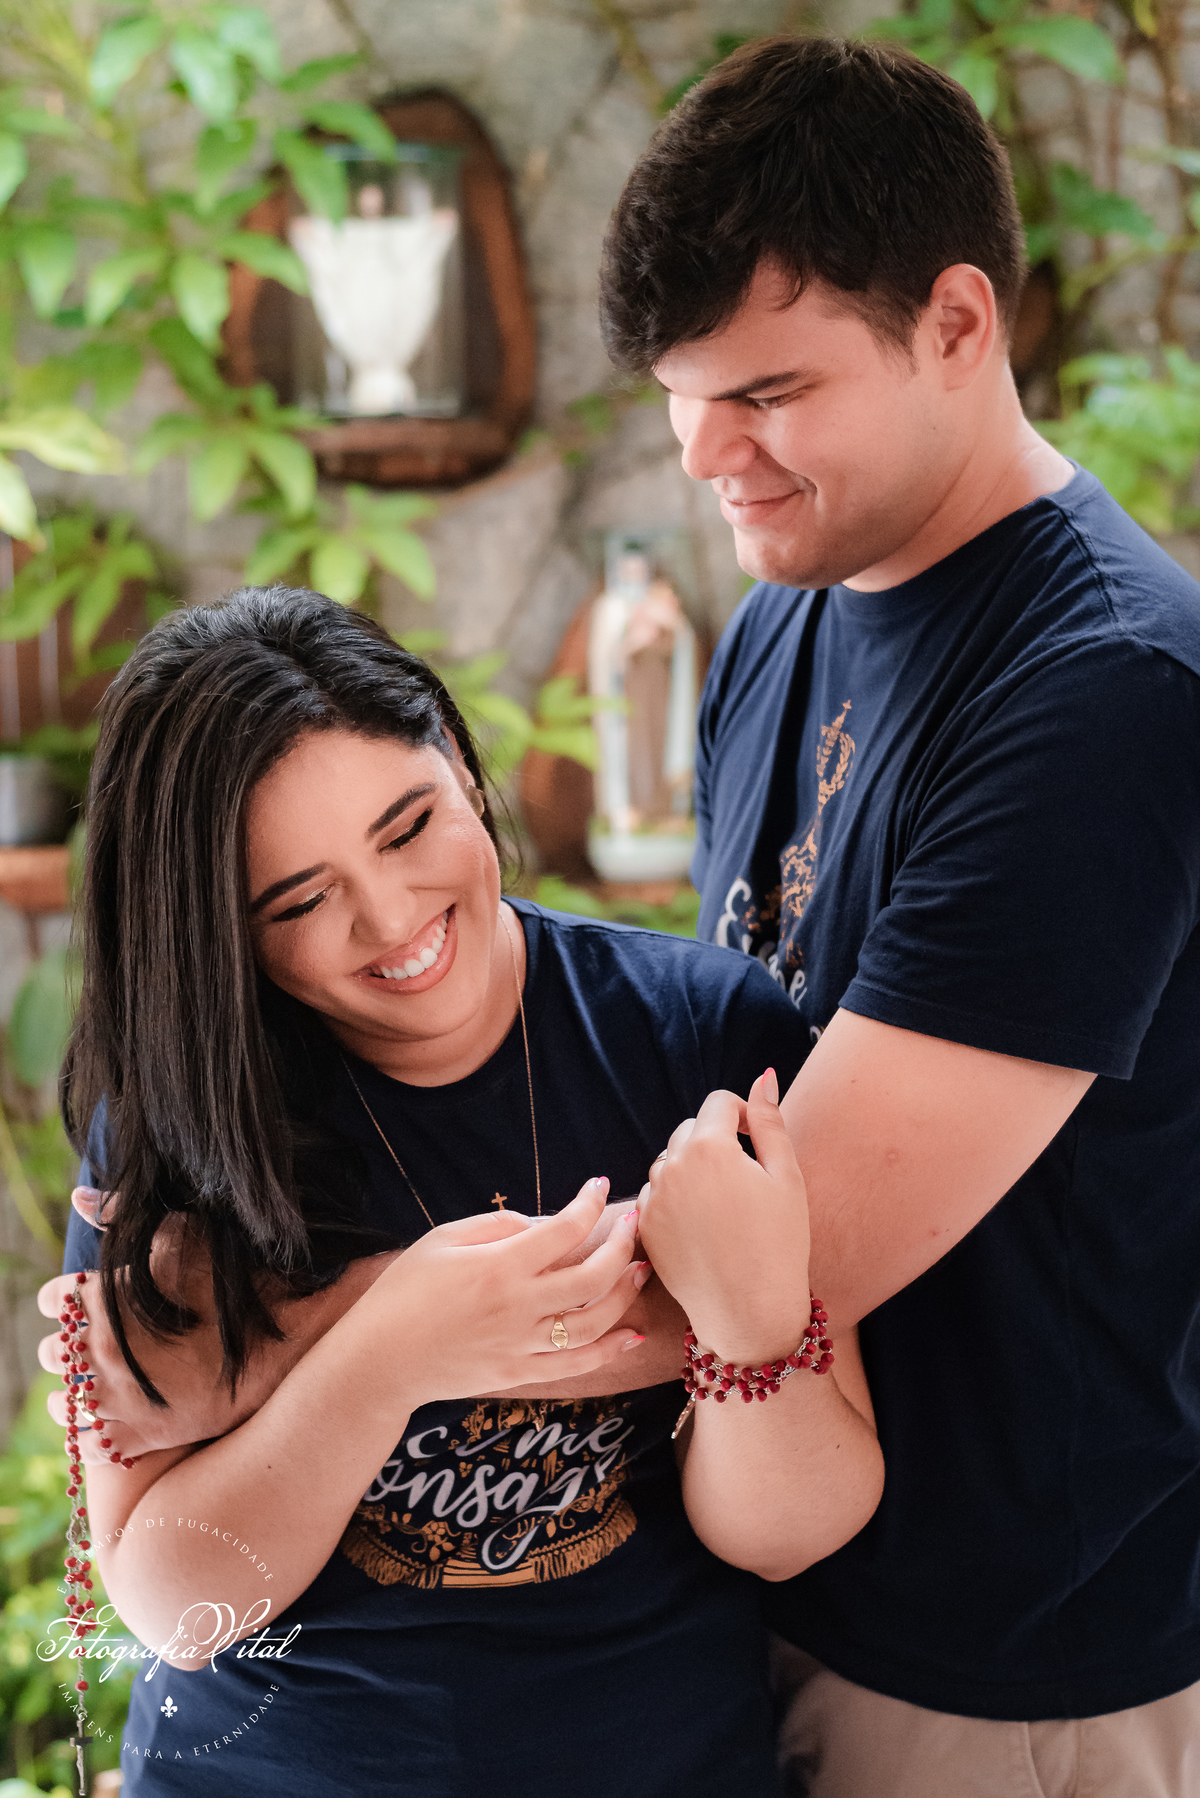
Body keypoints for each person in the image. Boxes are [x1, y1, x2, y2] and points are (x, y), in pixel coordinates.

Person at [600, 33, 1200, 1798]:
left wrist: (317, 1336)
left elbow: (781, 1259)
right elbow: (726, 1066)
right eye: (683, 392)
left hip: (1011, 1669)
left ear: (957, 321)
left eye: (769, 389)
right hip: (785, 1591)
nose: (708, 452)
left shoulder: (1105, 689)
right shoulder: (783, 606)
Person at [40, 586, 883, 1798]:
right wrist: (394, 1348)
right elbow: (177, 1604)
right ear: (224, 932)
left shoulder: (697, 1036)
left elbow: (795, 1530)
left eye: (408, 827)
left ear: (458, 762)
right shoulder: (182, 1121)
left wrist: (747, 1322)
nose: (392, 920)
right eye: (300, 901)